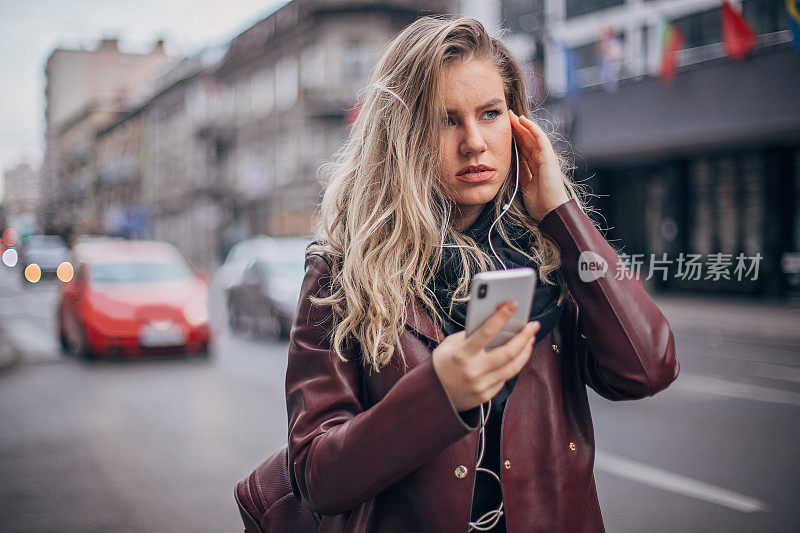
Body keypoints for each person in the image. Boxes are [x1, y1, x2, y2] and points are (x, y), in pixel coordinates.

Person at [285, 16, 679, 532]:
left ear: (517, 123)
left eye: (490, 113)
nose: (474, 141)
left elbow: (647, 368)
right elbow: (316, 477)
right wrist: (438, 392)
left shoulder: (550, 254)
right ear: (403, 135)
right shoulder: (342, 272)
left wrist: (563, 214)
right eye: (446, 120)